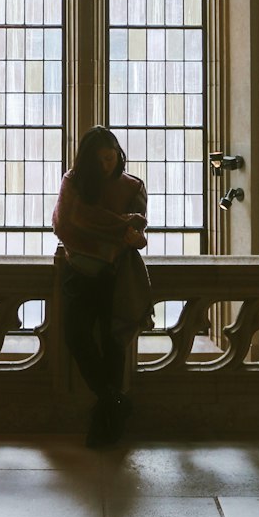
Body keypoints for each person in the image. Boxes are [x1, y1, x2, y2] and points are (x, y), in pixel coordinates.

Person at [52, 125, 152, 446]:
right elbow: (66, 225)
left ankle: (107, 426)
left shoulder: (132, 186)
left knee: (113, 344)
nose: (106, 166)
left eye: (110, 158)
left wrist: (118, 234)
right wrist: (120, 229)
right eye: (99, 161)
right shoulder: (74, 181)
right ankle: (114, 401)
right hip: (78, 274)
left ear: (118, 155)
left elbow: (134, 234)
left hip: (115, 276)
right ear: (87, 161)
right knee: (75, 333)